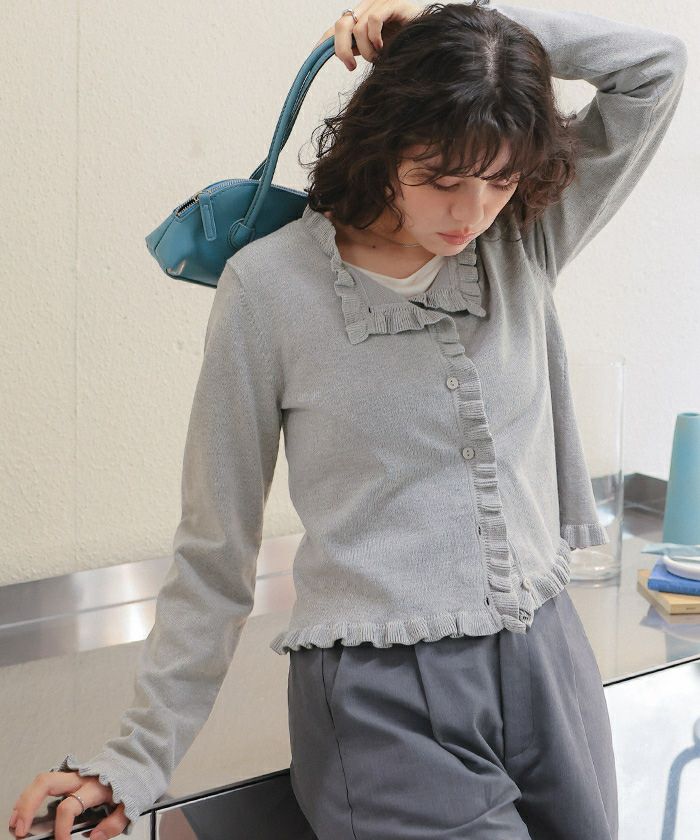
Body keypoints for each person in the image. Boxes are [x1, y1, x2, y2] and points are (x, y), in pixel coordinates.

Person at [8, 2, 687, 839]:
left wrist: (463, 22)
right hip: (387, 703)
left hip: (550, 662)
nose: (472, 212)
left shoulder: (520, 243)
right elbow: (216, 549)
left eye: (501, 180)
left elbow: (655, 68)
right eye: (442, 178)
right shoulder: (269, 289)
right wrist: (139, 755)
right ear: (385, 141)